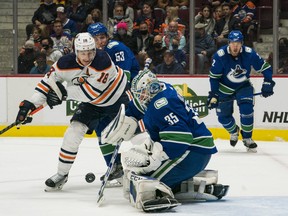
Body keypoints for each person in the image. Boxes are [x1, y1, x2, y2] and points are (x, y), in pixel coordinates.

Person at [100, 69, 229, 212]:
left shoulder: (162, 106)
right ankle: (189, 185)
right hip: (194, 150)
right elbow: (139, 104)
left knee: (147, 182)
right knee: (142, 176)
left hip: (192, 152)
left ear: (150, 89)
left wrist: (157, 157)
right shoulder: (161, 87)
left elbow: (181, 139)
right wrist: (128, 118)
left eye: (142, 93)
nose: (140, 97)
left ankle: (163, 193)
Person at [15, 32, 130, 191]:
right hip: (93, 104)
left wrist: (62, 94)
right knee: (73, 132)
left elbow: (92, 92)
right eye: (83, 53)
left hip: (119, 97)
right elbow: (47, 84)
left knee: (136, 131)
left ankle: (152, 168)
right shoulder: (64, 64)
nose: (88, 56)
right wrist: (30, 105)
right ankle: (61, 175)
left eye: (90, 52)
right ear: (76, 51)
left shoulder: (103, 61)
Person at [207, 30, 275, 153]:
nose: (235, 46)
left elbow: (265, 68)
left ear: (242, 43)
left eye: (238, 43)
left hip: (243, 86)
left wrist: (268, 82)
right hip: (224, 88)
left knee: (247, 111)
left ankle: (247, 138)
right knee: (223, 117)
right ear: (229, 43)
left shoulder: (249, 53)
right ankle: (234, 131)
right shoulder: (220, 56)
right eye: (233, 43)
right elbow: (214, 77)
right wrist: (214, 94)